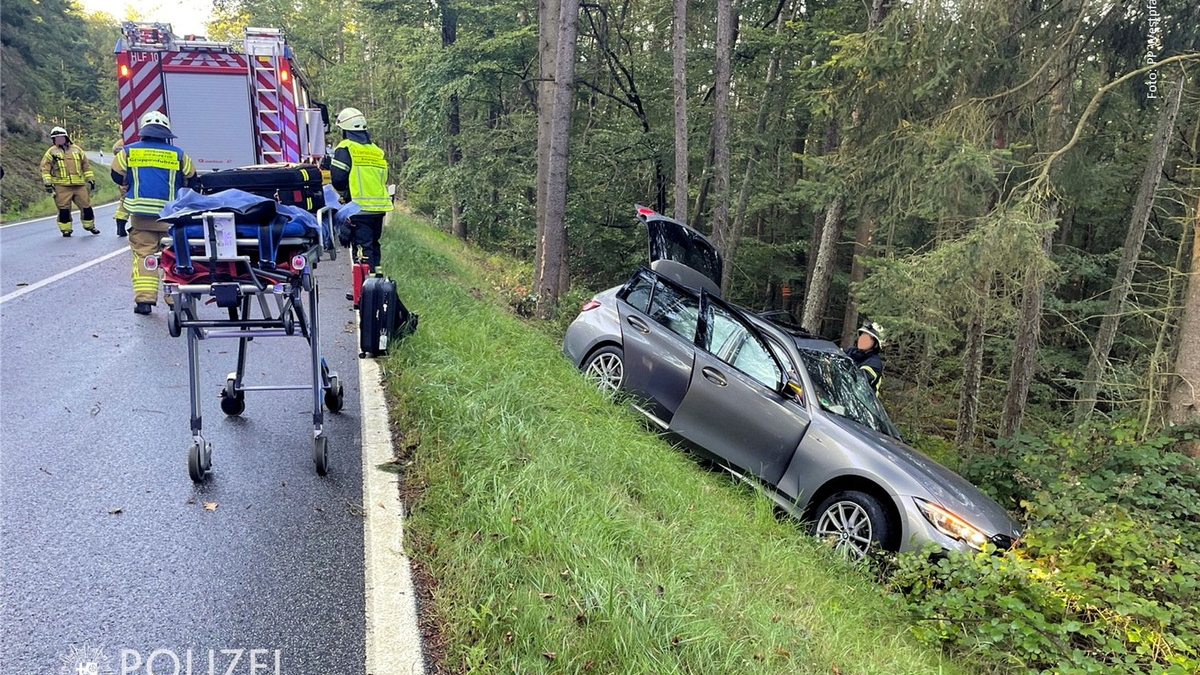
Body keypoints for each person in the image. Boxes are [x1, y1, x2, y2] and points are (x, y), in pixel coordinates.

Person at [110, 111, 196, 315]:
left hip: (141, 218)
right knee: (172, 256)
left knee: (144, 255)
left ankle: (145, 301)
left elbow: (116, 174)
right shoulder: (179, 154)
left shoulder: (128, 152)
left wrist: (129, 183)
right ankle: (175, 299)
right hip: (170, 218)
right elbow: (192, 180)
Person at [329, 107, 393, 271]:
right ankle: (377, 284)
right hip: (378, 209)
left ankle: (364, 290)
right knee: (373, 246)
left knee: (362, 251)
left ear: (344, 129)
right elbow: (382, 179)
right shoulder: (376, 151)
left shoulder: (346, 148)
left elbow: (338, 178)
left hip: (358, 208)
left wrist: (344, 197)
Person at [39, 126, 98, 237]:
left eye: (60, 137)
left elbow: (86, 166)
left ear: (66, 137)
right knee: (64, 210)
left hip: (79, 185)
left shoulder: (77, 149)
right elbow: (45, 168)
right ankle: (66, 230)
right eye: (56, 138)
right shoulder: (51, 152)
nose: (59, 140)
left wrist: (90, 179)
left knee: (86, 208)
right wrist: (47, 183)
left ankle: (90, 226)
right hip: (61, 186)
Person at [845, 322, 885, 395]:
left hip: (859, 402)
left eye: (868, 338)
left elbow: (857, 381)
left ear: (875, 344)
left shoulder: (874, 363)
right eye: (862, 335)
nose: (863, 339)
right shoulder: (851, 351)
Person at [112, 138, 129, 237]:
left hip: (124, 174)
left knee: (124, 200)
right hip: (130, 174)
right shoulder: (122, 142)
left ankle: (120, 225)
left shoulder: (121, 142)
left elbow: (115, 150)